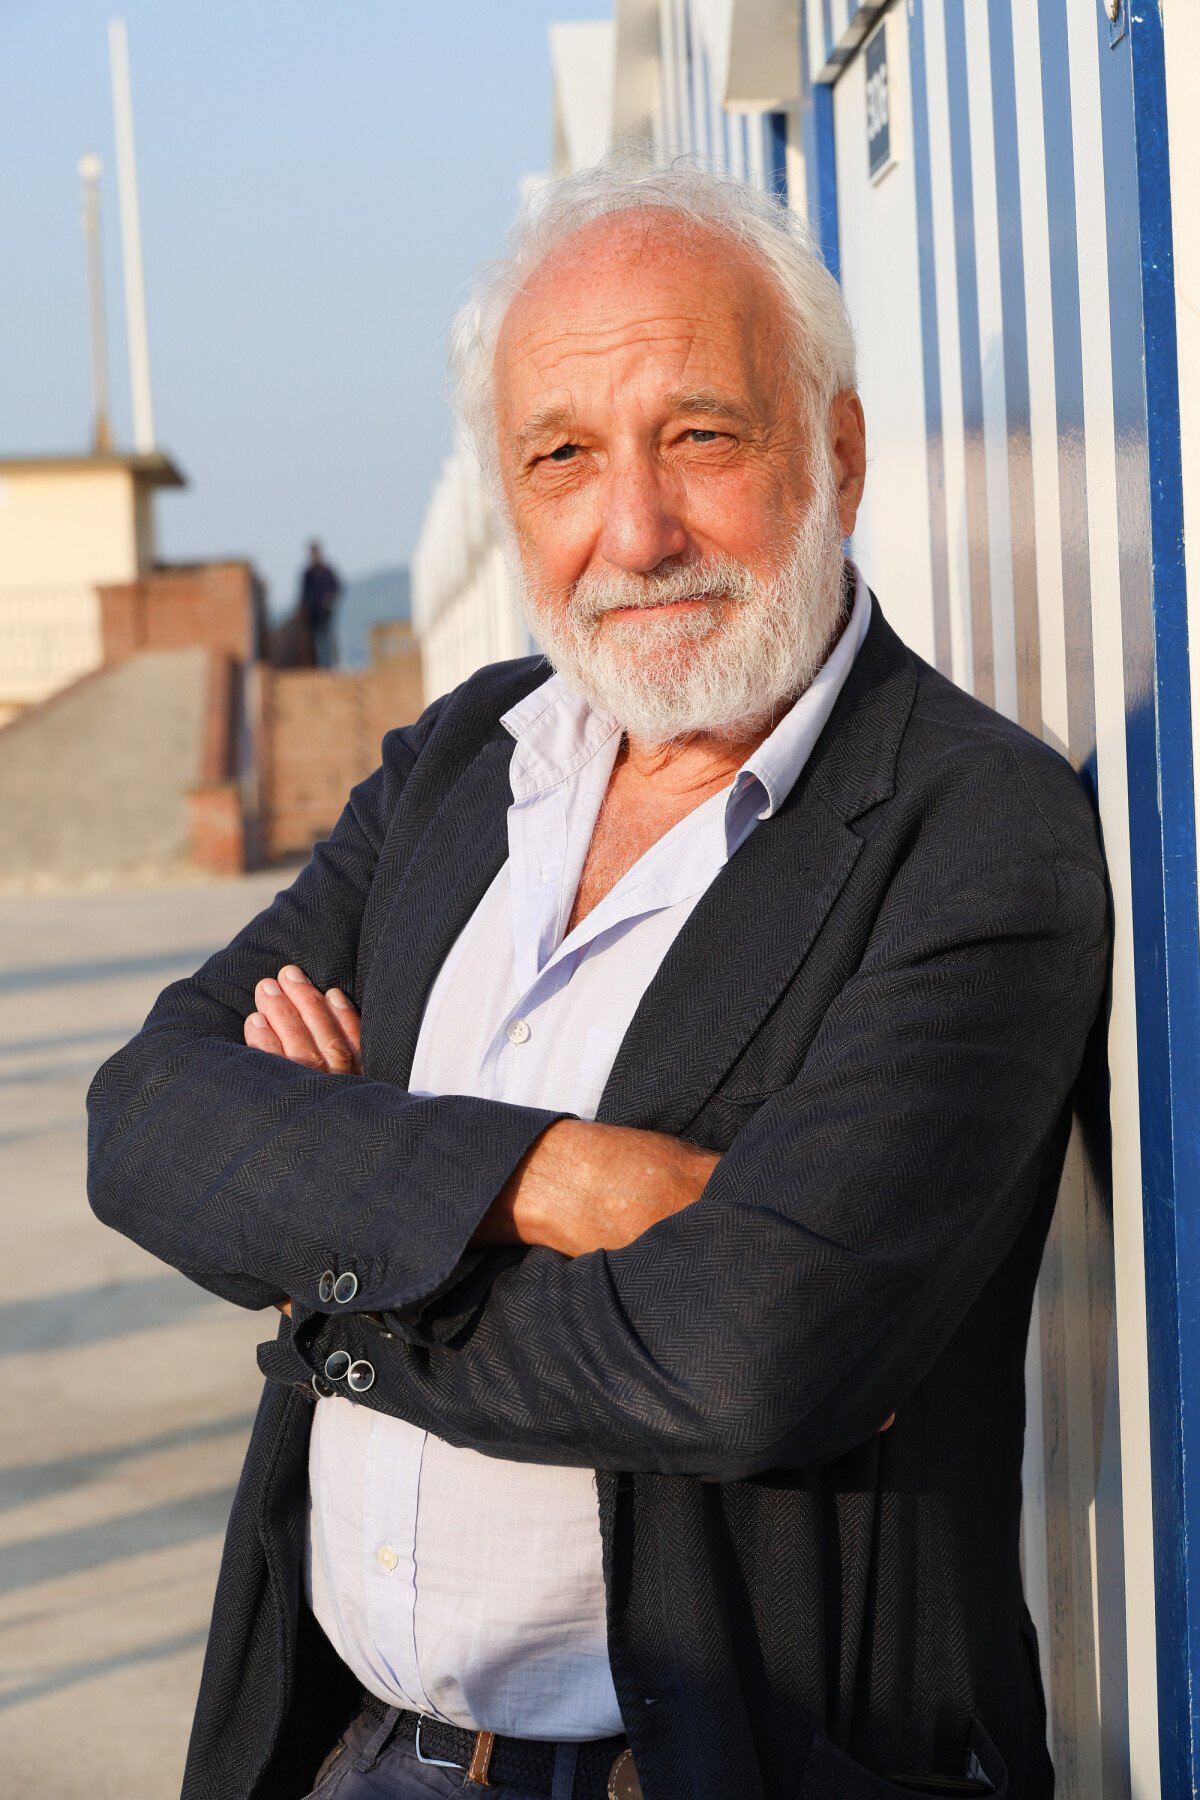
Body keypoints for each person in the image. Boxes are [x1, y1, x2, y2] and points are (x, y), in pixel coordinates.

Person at [87, 161, 1109, 1800]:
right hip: (361, 1755)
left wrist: (333, 1275)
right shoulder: (462, 763)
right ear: (509, 491)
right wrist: (545, 1179)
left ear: (832, 451)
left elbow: (746, 1358)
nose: (634, 531)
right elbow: (150, 1121)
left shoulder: (977, 834)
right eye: (564, 456)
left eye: (701, 435)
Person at [299, 540, 342, 668]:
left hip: (326, 613)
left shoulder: (327, 571)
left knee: (327, 639)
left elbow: (336, 589)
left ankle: (329, 665)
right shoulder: (308, 574)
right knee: (318, 640)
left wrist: (329, 600)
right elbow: (304, 594)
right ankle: (323, 665)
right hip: (314, 615)